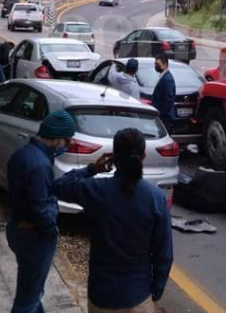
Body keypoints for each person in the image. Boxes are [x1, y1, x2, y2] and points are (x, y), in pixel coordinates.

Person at [53, 128, 173, 313]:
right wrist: (155, 292)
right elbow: (164, 254)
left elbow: (59, 186)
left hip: (101, 295)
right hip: (138, 297)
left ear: (113, 158)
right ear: (143, 157)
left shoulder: (95, 190)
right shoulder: (155, 198)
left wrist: (92, 168)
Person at [6, 110, 79, 313]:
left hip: (18, 229)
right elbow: (40, 207)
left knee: (32, 289)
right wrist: (51, 230)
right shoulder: (40, 165)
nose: (67, 145)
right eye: (67, 140)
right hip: (33, 236)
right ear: (56, 139)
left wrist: (90, 170)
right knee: (27, 300)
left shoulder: (24, 154)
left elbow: (50, 188)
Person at [150, 54, 176, 125]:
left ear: (165, 65)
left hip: (165, 118)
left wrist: (162, 114)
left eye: (158, 64)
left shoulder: (167, 79)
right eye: (155, 64)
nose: (156, 66)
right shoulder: (163, 77)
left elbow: (168, 99)